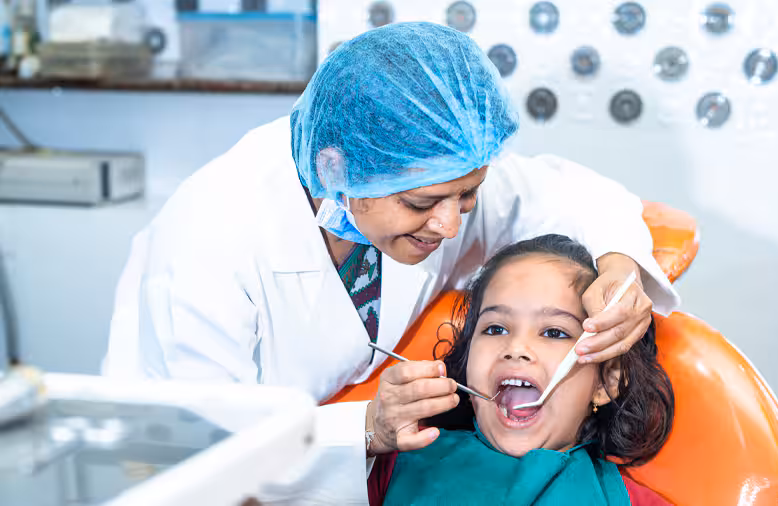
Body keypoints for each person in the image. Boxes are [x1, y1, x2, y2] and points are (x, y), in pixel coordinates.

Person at [103, 22, 679, 503]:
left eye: (469, 196)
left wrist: (620, 266)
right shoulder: (213, 240)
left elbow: (570, 193)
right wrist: (365, 429)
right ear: (335, 170)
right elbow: (204, 445)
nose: (451, 225)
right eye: (421, 204)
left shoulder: (430, 166)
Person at [367, 234, 674, 505]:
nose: (515, 348)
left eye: (554, 332)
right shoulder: (394, 465)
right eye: (496, 328)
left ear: (607, 381)